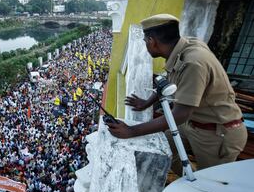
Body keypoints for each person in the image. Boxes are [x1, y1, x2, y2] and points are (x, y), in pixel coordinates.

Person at [106, 14, 248, 175]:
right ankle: (189, 179)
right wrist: (146, 103)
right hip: (194, 124)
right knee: (163, 149)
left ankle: (196, 183)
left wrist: (131, 131)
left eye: (145, 41)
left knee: (211, 183)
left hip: (217, 134)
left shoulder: (193, 63)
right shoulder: (183, 48)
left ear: (152, 41)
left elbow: (180, 114)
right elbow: (170, 80)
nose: (145, 45)